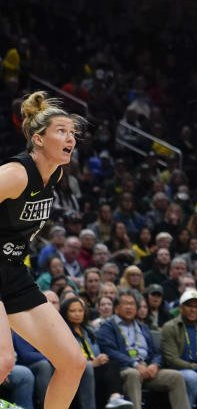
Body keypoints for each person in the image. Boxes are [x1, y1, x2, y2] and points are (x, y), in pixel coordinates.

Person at [0, 92, 88, 409]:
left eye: (73, 133)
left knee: (73, 363)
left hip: (13, 272)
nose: (71, 138)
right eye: (61, 131)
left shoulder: (55, 175)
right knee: (3, 361)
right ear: (38, 139)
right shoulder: (16, 173)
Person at [96, 289, 190, 409]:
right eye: (125, 304)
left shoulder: (143, 327)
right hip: (124, 369)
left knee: (176, 377)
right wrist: (135, 364)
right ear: (116, 308)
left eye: (132, 304)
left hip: (147, 369)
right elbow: (110, 352)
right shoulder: (108, 326)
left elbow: (157, 352)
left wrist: (155, 365)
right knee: (133, 374)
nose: (129, 307)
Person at [61, 297, 134, 409]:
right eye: (73, 311)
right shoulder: (62, 333)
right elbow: (67, 361)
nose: (77, 314)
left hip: (94, 372)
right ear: (65, 313)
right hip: (76, 375)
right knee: (95, 368)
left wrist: (101, 358)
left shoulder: (89, 331)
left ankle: (115, 398)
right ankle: (114, 398)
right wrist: (91, 364)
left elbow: (96, 353)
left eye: (80, 311)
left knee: (113, 363)